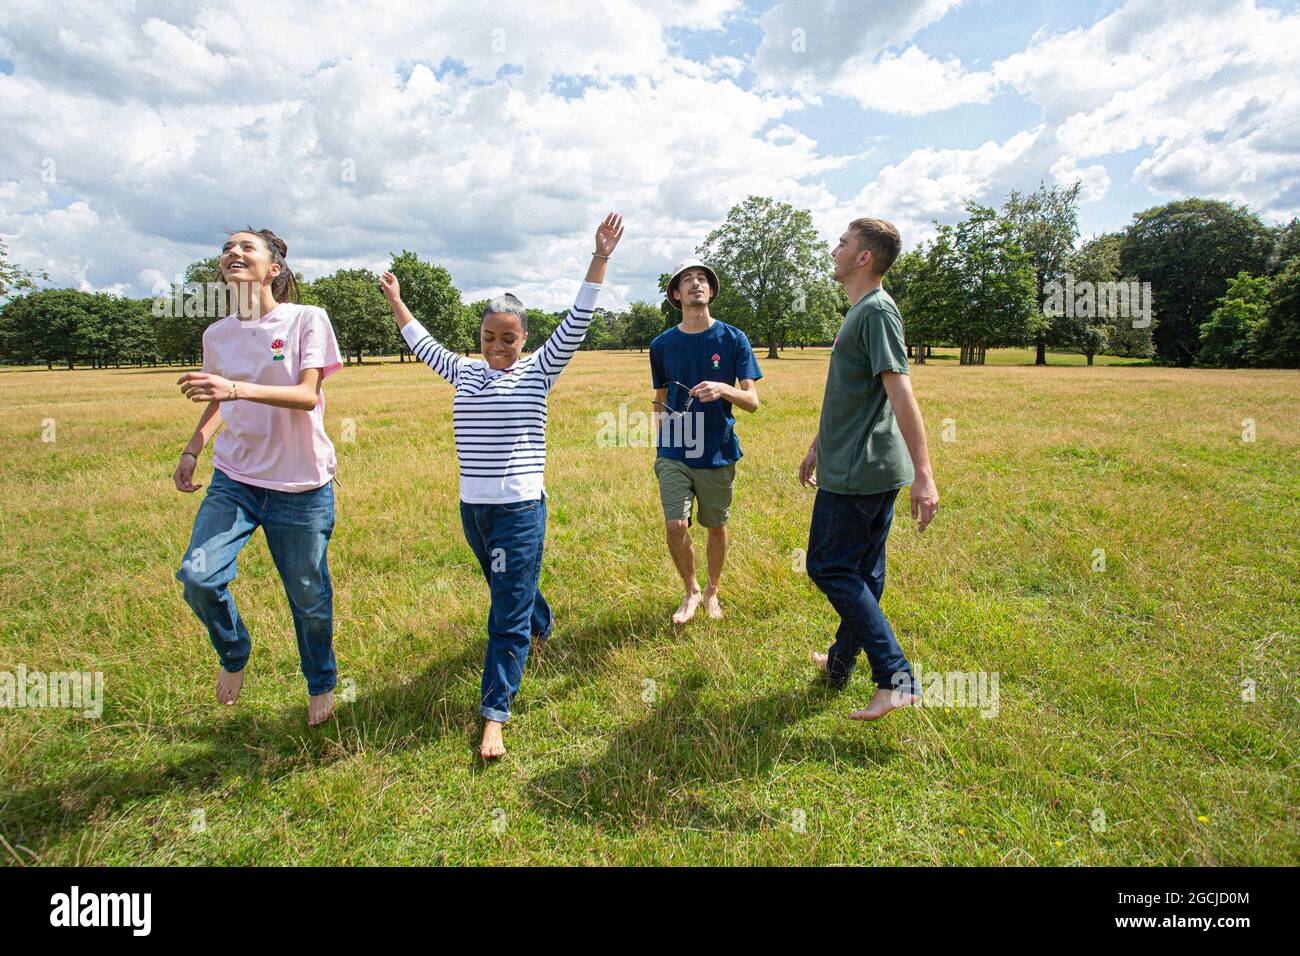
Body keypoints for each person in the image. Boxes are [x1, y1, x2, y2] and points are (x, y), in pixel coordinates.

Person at [380, 212, 624, 759]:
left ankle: (495, 714)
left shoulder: (539, 370)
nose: (497, 346)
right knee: (508, 589)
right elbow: (419, 340)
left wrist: (600, 257)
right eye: (489, 336)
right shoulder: (463, 371)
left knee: (503, 611)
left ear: (525, 337)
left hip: (518, 510)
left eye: (508, 337)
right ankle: (541, 624)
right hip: (474, 510)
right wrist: (397, 300)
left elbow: (579, 318)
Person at [173, 228, 344, 727]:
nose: (233, 252)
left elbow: (307, 396)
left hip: (301, 485)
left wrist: (235, 386)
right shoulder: (217, 335)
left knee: (309, 595)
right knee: (198, 576)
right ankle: (234, 651)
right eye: (228, 247)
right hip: (236, 478)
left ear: (273, 269)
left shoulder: (305, 320)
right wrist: (192, 449)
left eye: (247, 247)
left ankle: (320, 680)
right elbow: (219, 403)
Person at [800, 218, 939, 721]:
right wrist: (817, 445)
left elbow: (900, 392)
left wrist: (925, 474)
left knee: (828, 566)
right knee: (863, 574)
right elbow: (855, 395)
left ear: (863, 258)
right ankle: (840, 664)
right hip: (857, 464)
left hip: (861, 472)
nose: (834, 248)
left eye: (842, 242)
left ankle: (895, 678)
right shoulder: (861, 311)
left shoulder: (876, 311)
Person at [650, 258, 761, 623]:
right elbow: (661, 398)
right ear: (676, 294)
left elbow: (752, 402)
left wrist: (724, 388)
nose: (696, 283)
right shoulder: (662, 345)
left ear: (711, 291)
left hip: (716, 450)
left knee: (716, 525)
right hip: (675, 451)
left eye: (702, 279)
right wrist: (661, 440)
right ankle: (692, 590)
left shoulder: (733, 339)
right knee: (675, 525)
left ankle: (713, 590)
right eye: (687, 280)